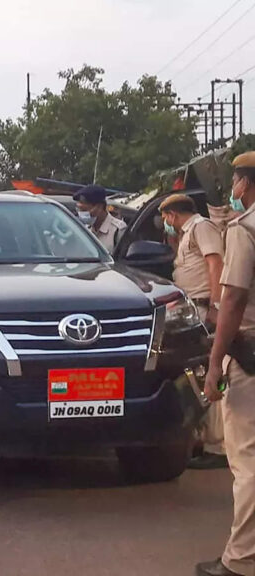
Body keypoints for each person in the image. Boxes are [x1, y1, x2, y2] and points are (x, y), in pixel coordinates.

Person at [197, 151, 255, 576]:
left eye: (235, 182)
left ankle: (242, 559)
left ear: (245, 184)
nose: (233, 190)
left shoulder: (244, 229)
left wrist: (215, 363)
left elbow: (232, 298)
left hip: (250, 357)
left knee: (248, 460)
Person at [159, 193, 227, 471]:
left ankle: (218, 446)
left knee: (211, 372)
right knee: (197, 376)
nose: (165, 223)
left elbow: (216, 264)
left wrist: (216, 306)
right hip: (191, 310)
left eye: (165, 218)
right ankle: (204, 438)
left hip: (203, 309)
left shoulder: (201, 227)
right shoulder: (187, 233)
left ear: (172, 215)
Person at [73, 185, 127, 254]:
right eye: (79, 210)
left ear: (99, 207)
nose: (81, 214)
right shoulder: (84, 229)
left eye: (84, 210)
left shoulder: (118, 230)